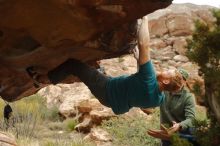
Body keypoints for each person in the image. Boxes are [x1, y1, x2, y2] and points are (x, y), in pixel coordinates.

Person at [26, 16, 185, 115]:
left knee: (74, 65)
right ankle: (88, 72)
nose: (166, 69)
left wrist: (144, 19)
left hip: (107, 88)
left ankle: (43, 79)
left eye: (168, 71)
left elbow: (144, 43)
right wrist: (138, 60)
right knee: (94, 69)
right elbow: (140, 82)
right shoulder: (158, 100)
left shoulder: (149, 78)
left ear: (165, 81)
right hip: (114, 103)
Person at [148, 69, 198, 146]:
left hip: (184, 133)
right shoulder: (164, 89)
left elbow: (191, 119)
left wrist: (179, 125)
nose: (178, 80)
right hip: (165, 132)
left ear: (185, 82)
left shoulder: (188, 97)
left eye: (181, 79)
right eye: (176, 78)